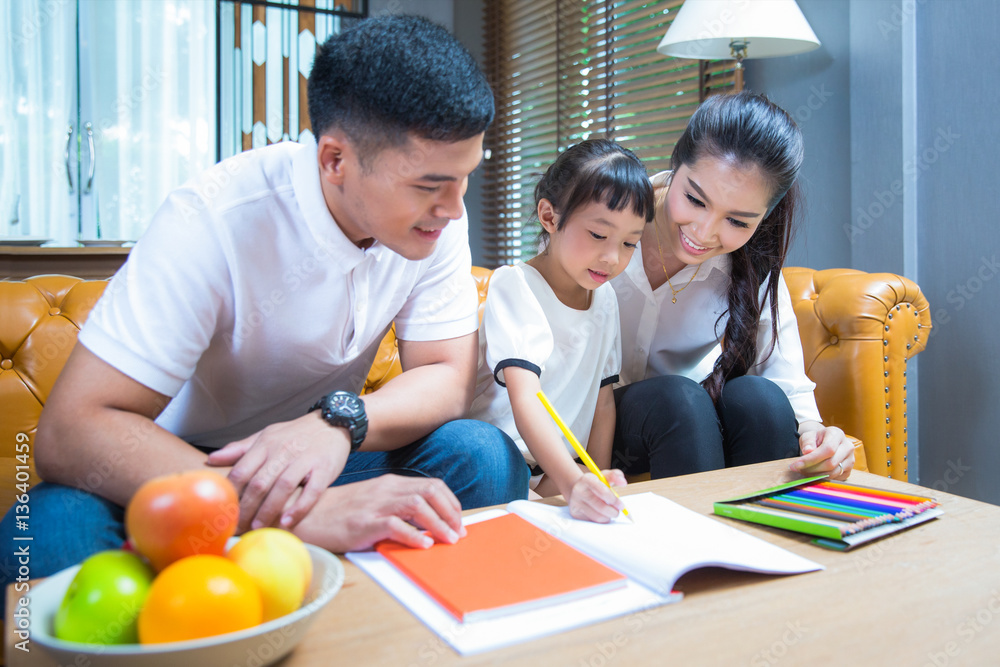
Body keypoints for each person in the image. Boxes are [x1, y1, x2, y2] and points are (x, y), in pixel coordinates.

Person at [0, 15, 529, 589]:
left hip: (324, 454)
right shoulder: (213, 219)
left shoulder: (437, 222)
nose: (454, 209)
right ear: (335, 161)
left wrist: (336, 425)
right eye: (430, 185)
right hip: (190, 466)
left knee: (484, 456)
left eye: (466, 178)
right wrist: (302, 516)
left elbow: (445, 377)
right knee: (48, 531)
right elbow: (72, 431)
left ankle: (390, 622)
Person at [610, 91, 855, 481]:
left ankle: (766, 535)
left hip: (694, 430)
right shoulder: (601, 220)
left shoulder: (750, 264)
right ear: (676, 165)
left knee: (761, 401)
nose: (704, 233)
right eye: (694, 199)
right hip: (602, 425)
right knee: (677, 401)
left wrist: (818, 437)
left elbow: (785, 380)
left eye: (738, 222)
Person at [467, 139, 654, 522]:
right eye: (599, 235)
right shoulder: (515, 285)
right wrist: (574, 483)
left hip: (555, 472)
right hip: (501, 465)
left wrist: (593, 477)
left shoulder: (604, 299)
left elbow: (603, 401)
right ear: (549, 218)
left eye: (629, 243)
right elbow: (526, 397)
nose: (612, 257)